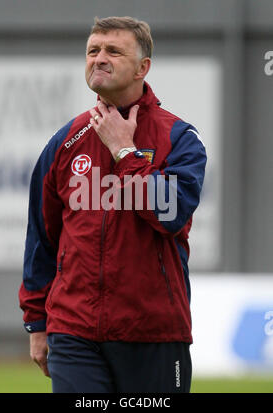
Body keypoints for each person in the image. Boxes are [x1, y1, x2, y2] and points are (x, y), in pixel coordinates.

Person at [19, 16, 207, 393]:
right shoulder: (65, 142)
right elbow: (42, 238)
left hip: (153, 332)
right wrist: (38, 323)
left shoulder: (179, 138)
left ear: (142, 68)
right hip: (74, 331)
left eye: (113, 51)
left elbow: (168, 214)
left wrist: (125, 152)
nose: (99, 58)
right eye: (93, 50)